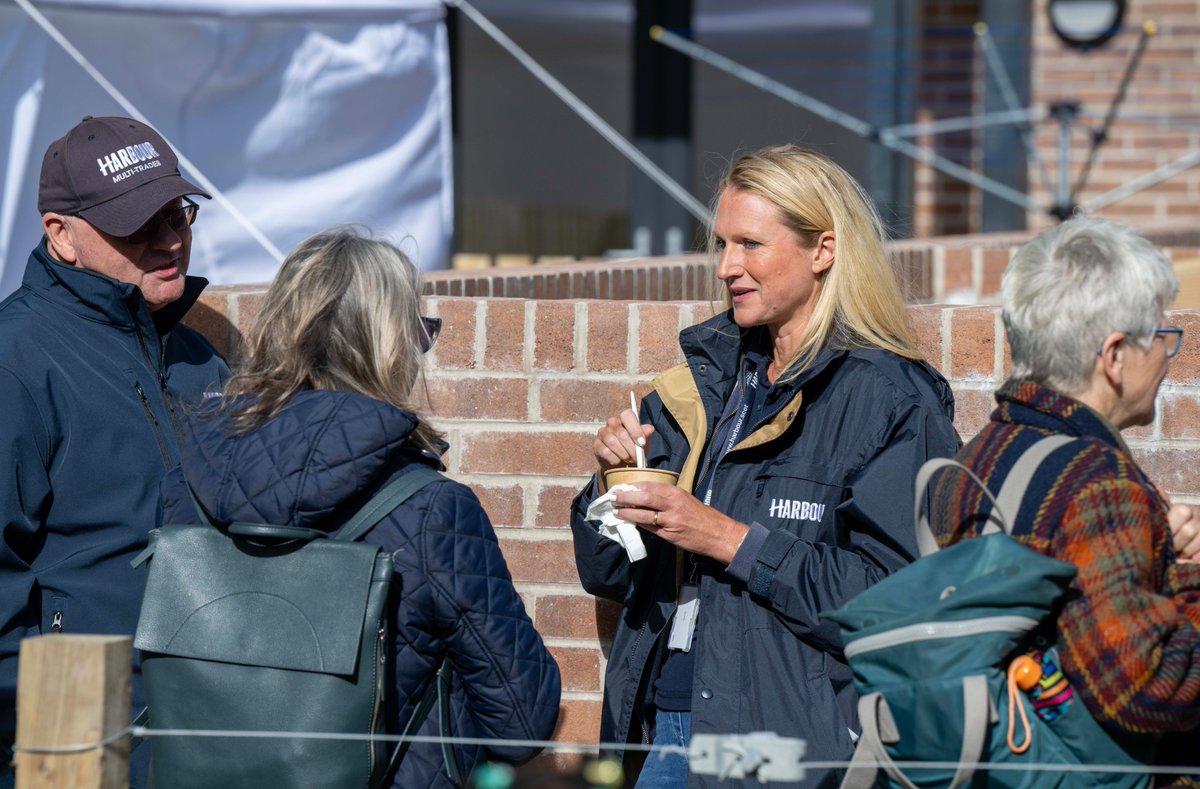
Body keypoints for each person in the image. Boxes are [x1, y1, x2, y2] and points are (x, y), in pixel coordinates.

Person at [569, 145, 959, 788]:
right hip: (667, 727)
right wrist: (610, 486)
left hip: (791, 747)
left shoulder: (891, 400)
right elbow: (608, 573)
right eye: (723, 244)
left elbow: (899, 604)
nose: (727, 266)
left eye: (750, 244)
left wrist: (726, 538)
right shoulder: (699, 388)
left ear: (823, 250)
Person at [158, 227, 561, 788]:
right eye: (419, 332)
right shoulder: (432, 511)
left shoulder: (187, 478)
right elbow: (520, 723)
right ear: (390, 347)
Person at [0, 116, 230, 787]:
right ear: (60, 235)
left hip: (207, 739)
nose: (170, 239)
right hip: (73, 748)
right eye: (138, 224)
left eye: (177, 214)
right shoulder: (17, 361)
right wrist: (44, 740)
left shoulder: (200, 360)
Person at [927, 217, 1200, 780]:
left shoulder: (972, 460)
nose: (1167, 355)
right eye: (1160, 336)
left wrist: (1157, 555)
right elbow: (1143, 688)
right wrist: (1187, 575)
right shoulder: (1099, 484)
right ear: (1114, 355)